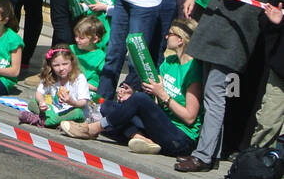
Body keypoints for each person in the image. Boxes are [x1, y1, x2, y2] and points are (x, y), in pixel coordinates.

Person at [175, 0, 276, 172]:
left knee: (215, 94)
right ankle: (212, 149)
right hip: (214, 30)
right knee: (211, 91)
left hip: (231, 37)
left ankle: (203, 156)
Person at [62, 18, 204, 157]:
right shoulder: (169, 62)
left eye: (170, 33)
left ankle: (94, 129)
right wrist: (135, 96)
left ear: (180, 39)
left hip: (180, 137)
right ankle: (141, 138)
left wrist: (162, 95)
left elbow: (190, 117)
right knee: (107, 107)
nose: (166, 36)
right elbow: (156, 104)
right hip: (160, 125)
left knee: (121, 116)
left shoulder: (193, 71)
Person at [249, 0, 284, 149]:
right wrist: (275, 22)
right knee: (268, 122)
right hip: (280, 73)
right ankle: (255, 165)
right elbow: (263, 19)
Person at [19, 48, 89, 128]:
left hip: (72, 111)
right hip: (54, 110)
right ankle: (53, 120)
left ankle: (43, 120)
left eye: (65, 64)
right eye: (56, 65)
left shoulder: (79, 78)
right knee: (33, 102)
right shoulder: (51, 76)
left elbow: (83, 103)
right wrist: (42, 102)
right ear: (51, 66)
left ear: (72, 63)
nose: (61, 68)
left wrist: (72, 102)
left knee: (77, 112)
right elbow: (39, 92)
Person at [71, 14, 106, 93]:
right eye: (76, 36)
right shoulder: (71, 49)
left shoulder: (101, 57)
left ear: (95, 39)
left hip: (85, 91)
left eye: (81, 38)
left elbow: (96, 85)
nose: (77, 39)